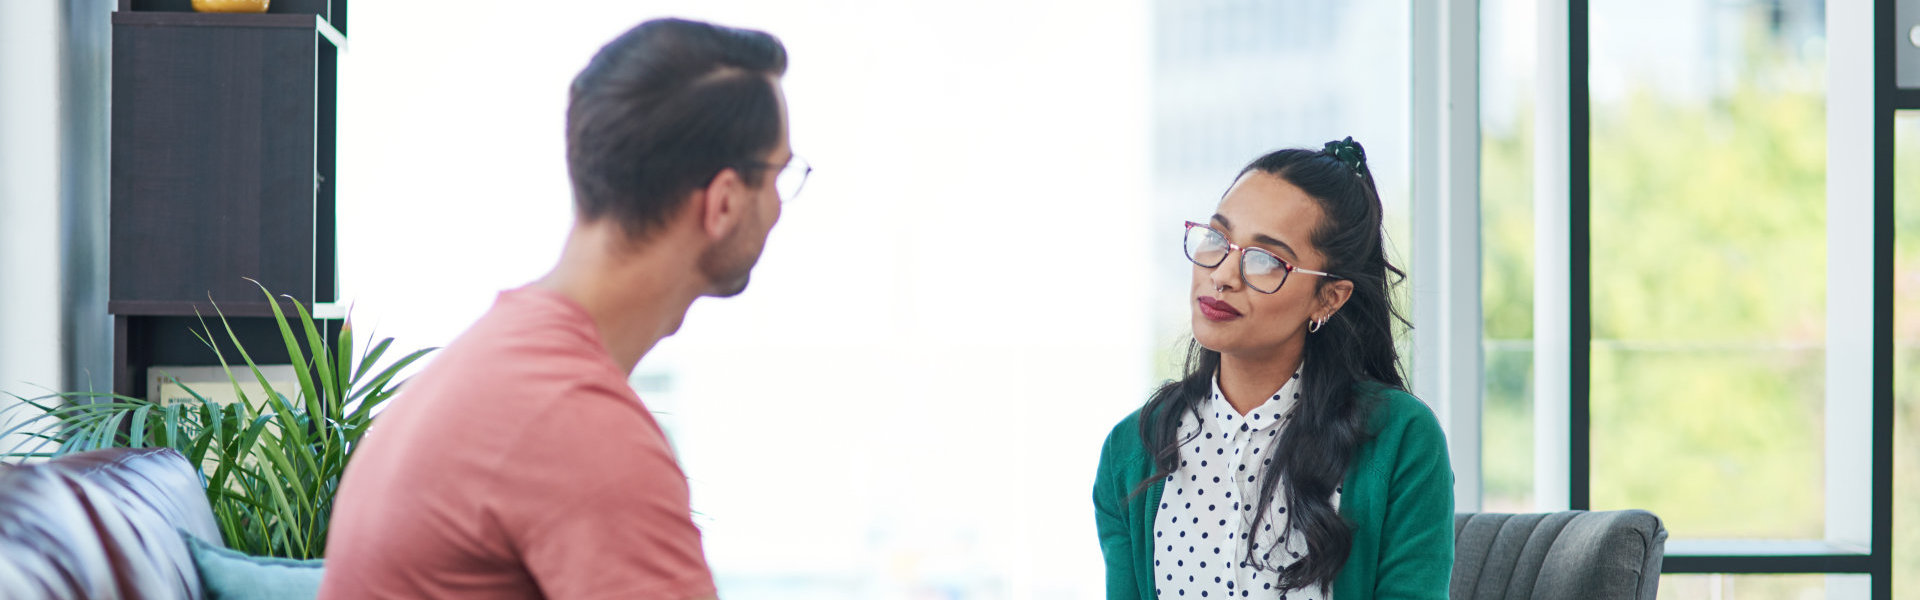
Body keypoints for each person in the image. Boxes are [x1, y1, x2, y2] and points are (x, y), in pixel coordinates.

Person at [319, 18, 809, 599]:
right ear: (724, 202)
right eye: (781, 173)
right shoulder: (579, 429)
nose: (781, 205)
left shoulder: (502, 361)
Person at [1093, 138, 1453, 600]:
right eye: (1218, 239)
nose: (1222, 274)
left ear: (1329, 297)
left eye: (1265, 260)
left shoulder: (1401, 439)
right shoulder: (1132, 452)